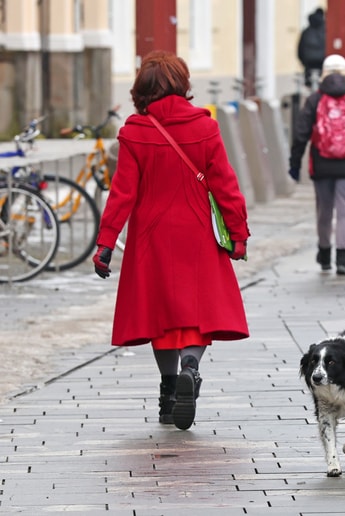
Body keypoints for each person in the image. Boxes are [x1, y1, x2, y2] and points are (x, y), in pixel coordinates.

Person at [92, 50, 250, 431]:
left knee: (159, 317)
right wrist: (238, 234)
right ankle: (190, 369)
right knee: (196, 315)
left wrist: (106, 242)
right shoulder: (205, 127)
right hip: (197, 233)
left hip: (151, 236)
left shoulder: (134, 131)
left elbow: (122, 193)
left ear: (141, 89)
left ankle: (167, 395)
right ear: (182, 83)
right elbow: (225, 186)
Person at [288, 54, 345, 275]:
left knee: (324, 211)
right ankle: (343, 260)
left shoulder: (315, 100)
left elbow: (300, 134)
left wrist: (295, 163)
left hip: (322, 164)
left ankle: (325, 254)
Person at [297, 7, 327, 88]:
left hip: (309, 62)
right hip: (322, 62)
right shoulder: (326, 30)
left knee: (309, 84)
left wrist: (303, 62)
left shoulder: (306, 31)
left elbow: (300, 49)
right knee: (322, 84)